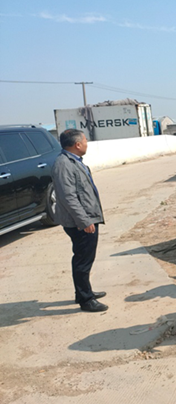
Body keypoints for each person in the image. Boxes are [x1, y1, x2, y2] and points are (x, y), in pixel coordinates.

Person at [51, 129, 107, 312]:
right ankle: (86, 299)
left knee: (85, 258)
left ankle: (84, 291)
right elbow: (68, 198)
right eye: (85, 141)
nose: (86, 144)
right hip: (79, 222)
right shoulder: (63, 164)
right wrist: (84, 221)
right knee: (83, 260)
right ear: (77, 144)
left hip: (85, 218)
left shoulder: (73, 161)